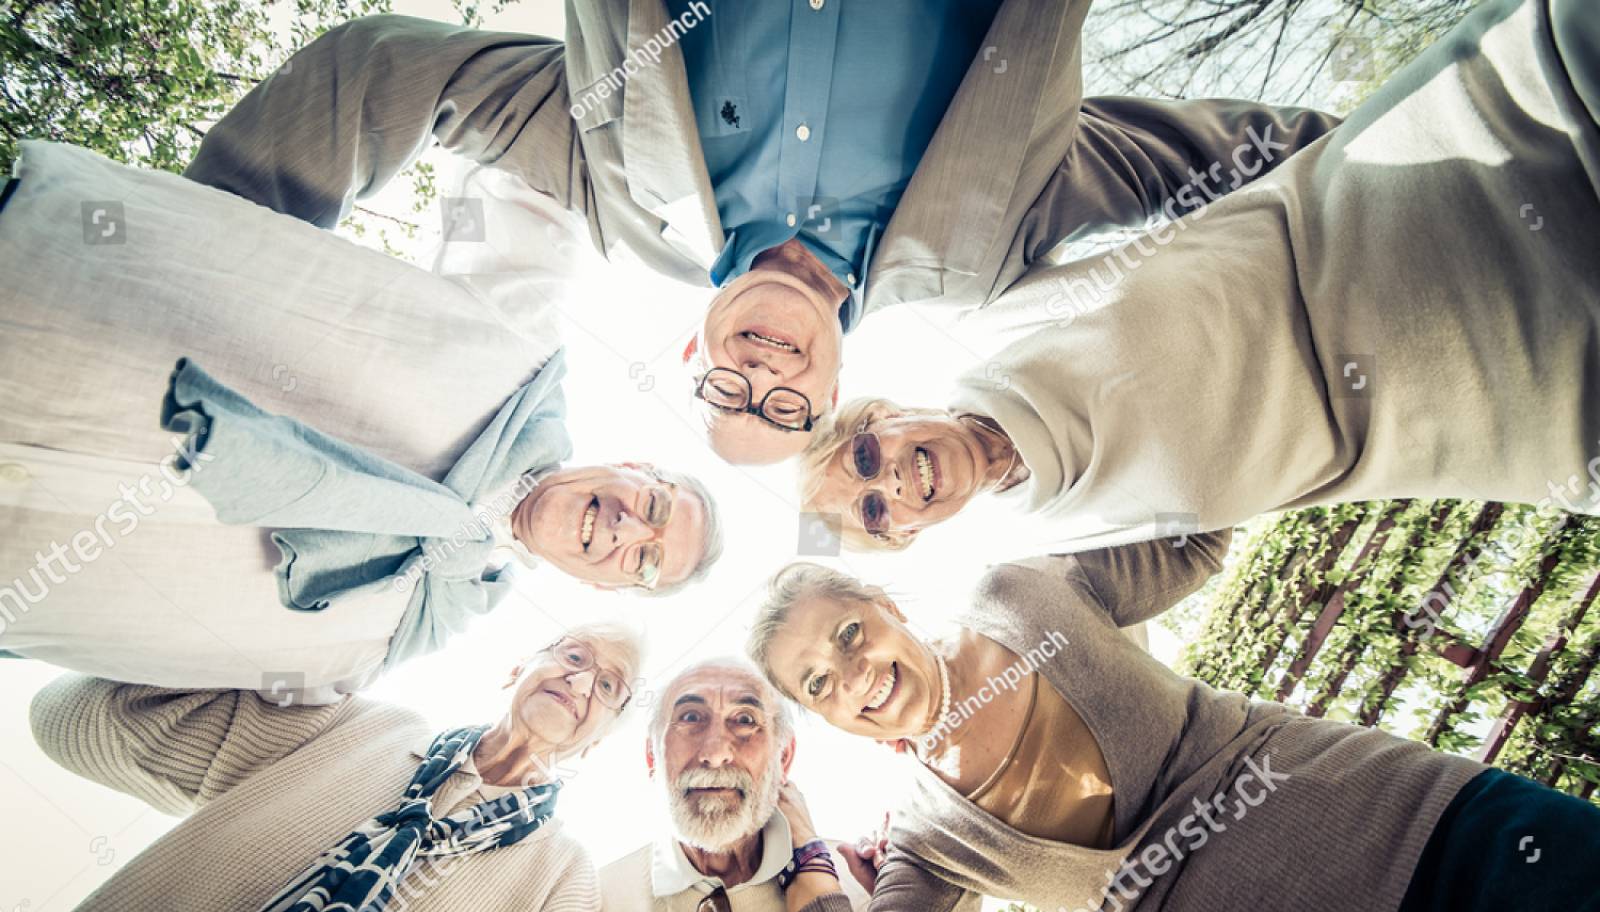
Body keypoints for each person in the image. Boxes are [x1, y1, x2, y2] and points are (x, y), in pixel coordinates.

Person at [182, 1, 1339, 464]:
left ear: (694, 353)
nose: (761, 378)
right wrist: (1412, 150)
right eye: (789, 410)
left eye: (724, 395)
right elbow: (1201, 161)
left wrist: (199, 287)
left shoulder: (623, 206)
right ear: (839, 380)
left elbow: (388, 74)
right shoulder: (985, 258)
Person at [745, 538, 1600, 912]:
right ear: (823, 716)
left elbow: (1194, 532)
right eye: (818, 681)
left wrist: (1023, 450)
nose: (851, 672)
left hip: (1444, 853)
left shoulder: (1021, 592)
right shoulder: (928, 844)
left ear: (886, 605)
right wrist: (810, 857)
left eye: (849, 632)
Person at [800, 0, 1600, 551]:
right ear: (904, 537)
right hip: (1546, 407)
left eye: (866, 461)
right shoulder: (1067, 546)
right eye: (875, 514)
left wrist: (1352, 151)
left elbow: (1151, 159)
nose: (895, 487)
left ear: (887, 414)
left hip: (1486, 137)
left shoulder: (992, 311)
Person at [0, 142, 721, 702]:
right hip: (37, 305)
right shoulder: (517, 348)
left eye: (646, 561)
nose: (629, 529)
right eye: (653, 504)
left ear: (606, 588)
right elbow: (541, 149)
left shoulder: (391, 640)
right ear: (634, 463)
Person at [0, 625, 641, 912]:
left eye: (610, 687)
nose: (583, 682)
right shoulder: (361, 723)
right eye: (575, 656)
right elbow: (76, 720)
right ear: (516, 670)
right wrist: (294, 640)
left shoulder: (566, 881)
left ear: (601, 740)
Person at [371, 658, 1053, 912]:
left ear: (785, 761)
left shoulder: (863, 878)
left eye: (747, 722)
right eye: (690, 720)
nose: (717, 751)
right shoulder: (581, 902)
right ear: (652, 758)